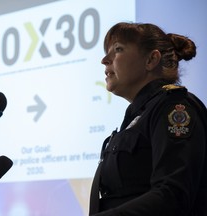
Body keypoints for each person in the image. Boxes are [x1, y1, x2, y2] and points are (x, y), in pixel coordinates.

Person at [89, 22, 207, 216]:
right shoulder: (138, 115)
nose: (105, 60)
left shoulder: (174, 106)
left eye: (117, 49)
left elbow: (172, 195)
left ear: (151, 60)